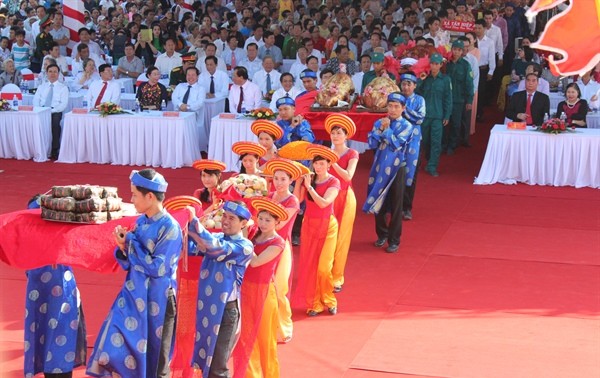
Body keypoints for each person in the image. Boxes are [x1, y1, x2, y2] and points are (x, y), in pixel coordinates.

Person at [87, 169, 182, 377]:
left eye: (134, 195)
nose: (131, 200)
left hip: (159, 300)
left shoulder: (171, 228)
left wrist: (130, 242)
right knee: (114, 347)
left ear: (150, 196)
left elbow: (158, 268)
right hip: (133, 295)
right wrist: (123, 247)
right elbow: (132, 263)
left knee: (157, 362)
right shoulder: (141, 222)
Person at [186, 200, 254, 377]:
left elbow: (216, 249)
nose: (225, 220)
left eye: (232, 218)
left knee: (217, 366)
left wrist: (194, 223)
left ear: (243, 223)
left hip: (226, 312)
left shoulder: (245, 247)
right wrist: (186, 227)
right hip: (208, 308)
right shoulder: (216, 238)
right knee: (205, 360)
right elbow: (193, 247)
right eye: (224, 216)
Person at [23, 195, 87, 378]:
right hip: (42, 296)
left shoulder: (62, 236)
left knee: (61, 347)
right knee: (47, 344)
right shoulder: (31, 242)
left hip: (62, 297)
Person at [231, 198, 287, 377]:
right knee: (244, 338)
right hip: (245, 290)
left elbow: (255, 262)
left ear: (277, 222)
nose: (263, 223)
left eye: (268, 220)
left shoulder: (278, 243)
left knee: (265, 341)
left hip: (264, 294)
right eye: (261, 218)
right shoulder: (253, 233)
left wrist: (244, 240)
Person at [363, 92, 420, 253]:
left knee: (396, 204)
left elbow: (396, 144)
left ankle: (394, 239)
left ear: (403, 108)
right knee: (377, 199)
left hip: (397, 168)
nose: (393, 109)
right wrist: (380, 128)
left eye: (396, 106)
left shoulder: (407, 126)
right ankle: (382, 234)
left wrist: (385, 130)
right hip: (379, 166)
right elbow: (371, 143)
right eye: (390, 106)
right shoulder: (379, 122)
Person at [292, 145, 340, 316]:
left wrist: (310, 187)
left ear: (328, 164)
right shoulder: (309, 179)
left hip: (328, 226)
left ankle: (329, 299)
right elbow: (297, 200)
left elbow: (324, 203)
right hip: (309, 225)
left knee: (323, 267)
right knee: (309, 264)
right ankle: (314, 303)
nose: (318, 167)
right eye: (316, 164)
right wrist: (299, 183)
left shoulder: (334, 181)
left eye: (321, 164)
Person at [263, 158, 301, 343]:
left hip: (279, 246)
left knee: (279, 288)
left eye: (283, 179)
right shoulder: (268, 196)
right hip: (263, 243)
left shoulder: (293, 201)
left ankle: (283, 328)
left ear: (291, 181)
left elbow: (280, 225)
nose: (279, 183)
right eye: (276, 178)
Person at [325, 114, 358, 293]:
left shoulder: (352, 153)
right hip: (329, 196)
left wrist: (332, 162)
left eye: (339, 133)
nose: (335, 136)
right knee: (327, 236)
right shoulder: (326, 153)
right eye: (333, 133)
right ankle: (325, 272)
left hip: (345, 197)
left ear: (346, 136)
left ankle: (337, 277)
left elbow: (348, 176)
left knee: (342, 238)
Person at [417, 53, 452, 177]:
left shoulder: (446, 80)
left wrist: (447, 115)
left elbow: (448, 98)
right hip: (424, 115)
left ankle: (432, 166)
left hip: (438, 116)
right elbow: (416, 92)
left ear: (441, 65)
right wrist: (420, 80)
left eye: (436, 64)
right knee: (423, 141)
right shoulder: (424, 78)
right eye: (432, 63)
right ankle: (419, 162)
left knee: (436, 142)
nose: (434, 66)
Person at [399, 72, 426, 221]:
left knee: (410, 174)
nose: (406, 87)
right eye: (403, 83)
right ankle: (393, 204)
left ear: (415, 85)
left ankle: (406, 207)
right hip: (397, 141)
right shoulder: (396, 99)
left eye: (409, 84)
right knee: (394, 171)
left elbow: (419, 118)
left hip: (413, 141)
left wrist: (404, 110)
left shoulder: (419, 100)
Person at [32, 63, 68, 160]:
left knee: (55, 124)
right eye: (50, 72)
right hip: (41, 111)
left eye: (55, 72)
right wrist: (41, 110)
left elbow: (63, 105)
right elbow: (36, 100)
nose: (52, 74)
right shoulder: (41, 87)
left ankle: (54, 150)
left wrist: (50, 111)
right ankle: (38, 149)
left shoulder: (63, 88)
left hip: (55, 112)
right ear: (46, 73)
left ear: (58, 74)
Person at [444, 40, 474, 155]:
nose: (456, 52)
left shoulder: (466, 65)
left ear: (462, 51)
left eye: (459, 50)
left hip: (459, 99)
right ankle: (444, 144)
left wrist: (469, 100)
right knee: (445, 122)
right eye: (454, 49)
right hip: (446, 99)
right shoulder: (446, 64)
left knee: (456, 123)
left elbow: (469, 84)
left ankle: (452, 145)